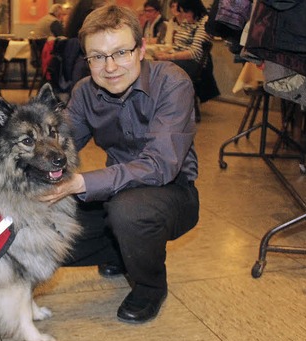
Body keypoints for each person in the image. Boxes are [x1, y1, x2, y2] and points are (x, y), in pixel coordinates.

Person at [40, 4, 199, 324]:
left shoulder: (172, 82)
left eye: (121, 52)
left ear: (141, 49)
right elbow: (61, 146)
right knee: (42, 232)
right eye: (97, 56)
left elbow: (160, 166)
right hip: (114, 193)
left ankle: (150, 285)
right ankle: (120, 251)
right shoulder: (85, 92)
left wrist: (82, 183)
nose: (109, 66)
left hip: (172, 191)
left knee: (129, 212)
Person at [153, 0, 219, 102]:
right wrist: (166, 53)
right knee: (153, 63)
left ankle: (165, 102)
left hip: (193, 63)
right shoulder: (186, 21)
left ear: (194, 9)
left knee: (161, 67)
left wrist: (170, 56)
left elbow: (194, 52)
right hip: (180, 58)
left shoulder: (204, 22)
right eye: (182, 12)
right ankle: (159, 101)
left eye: (185, 12)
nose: (183, 15)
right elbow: (178, 45)